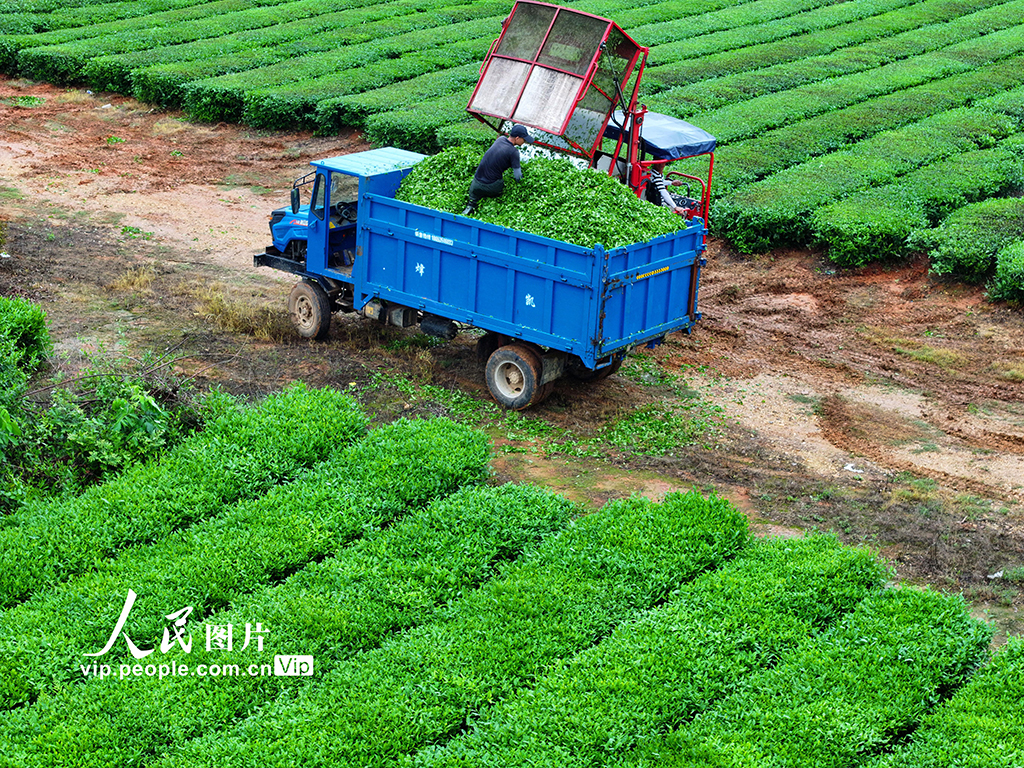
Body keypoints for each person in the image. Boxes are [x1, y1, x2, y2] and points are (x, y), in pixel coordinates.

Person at [462, 125, 534, 215]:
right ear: (517, 138)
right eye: (524, 139)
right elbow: (518, 176)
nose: (524, 142)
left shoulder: (501, 139)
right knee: (500, 185)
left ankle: (470, 205)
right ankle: (493, 199)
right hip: (491, 187)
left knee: (474, 197)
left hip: (475, 184)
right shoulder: (514, 152)